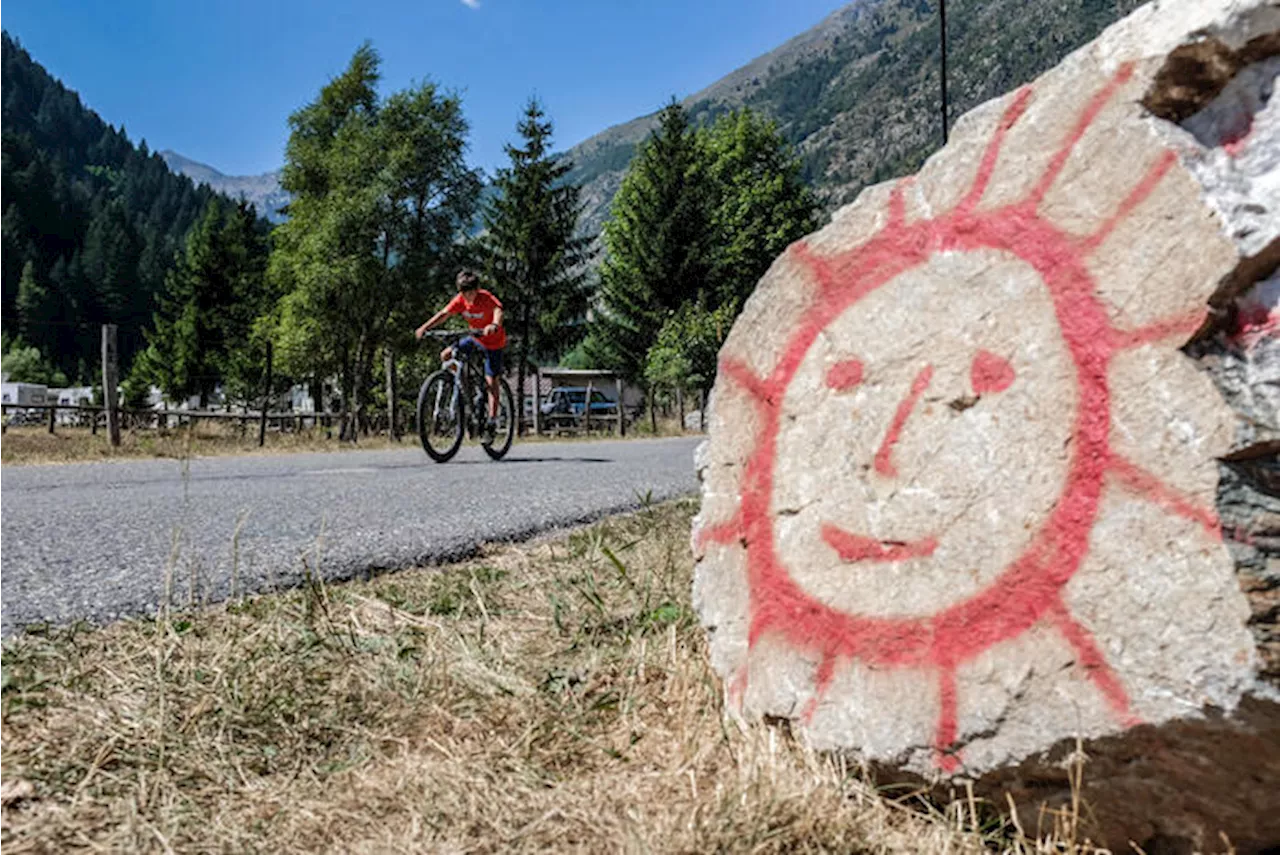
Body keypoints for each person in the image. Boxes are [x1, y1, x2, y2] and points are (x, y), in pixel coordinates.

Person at [415, 269, 507, 441]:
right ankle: (461, 385)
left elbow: (498, 310)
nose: (468, 297)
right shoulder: (460, 300)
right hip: (475, 338)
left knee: (491, 381)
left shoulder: (485, 297)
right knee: (446, 355)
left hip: (493, 341)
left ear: (477, 289)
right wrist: (425, 327)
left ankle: (492, 420)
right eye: (465, 293)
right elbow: (444, 314)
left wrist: (494, 324)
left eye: (471, 292)